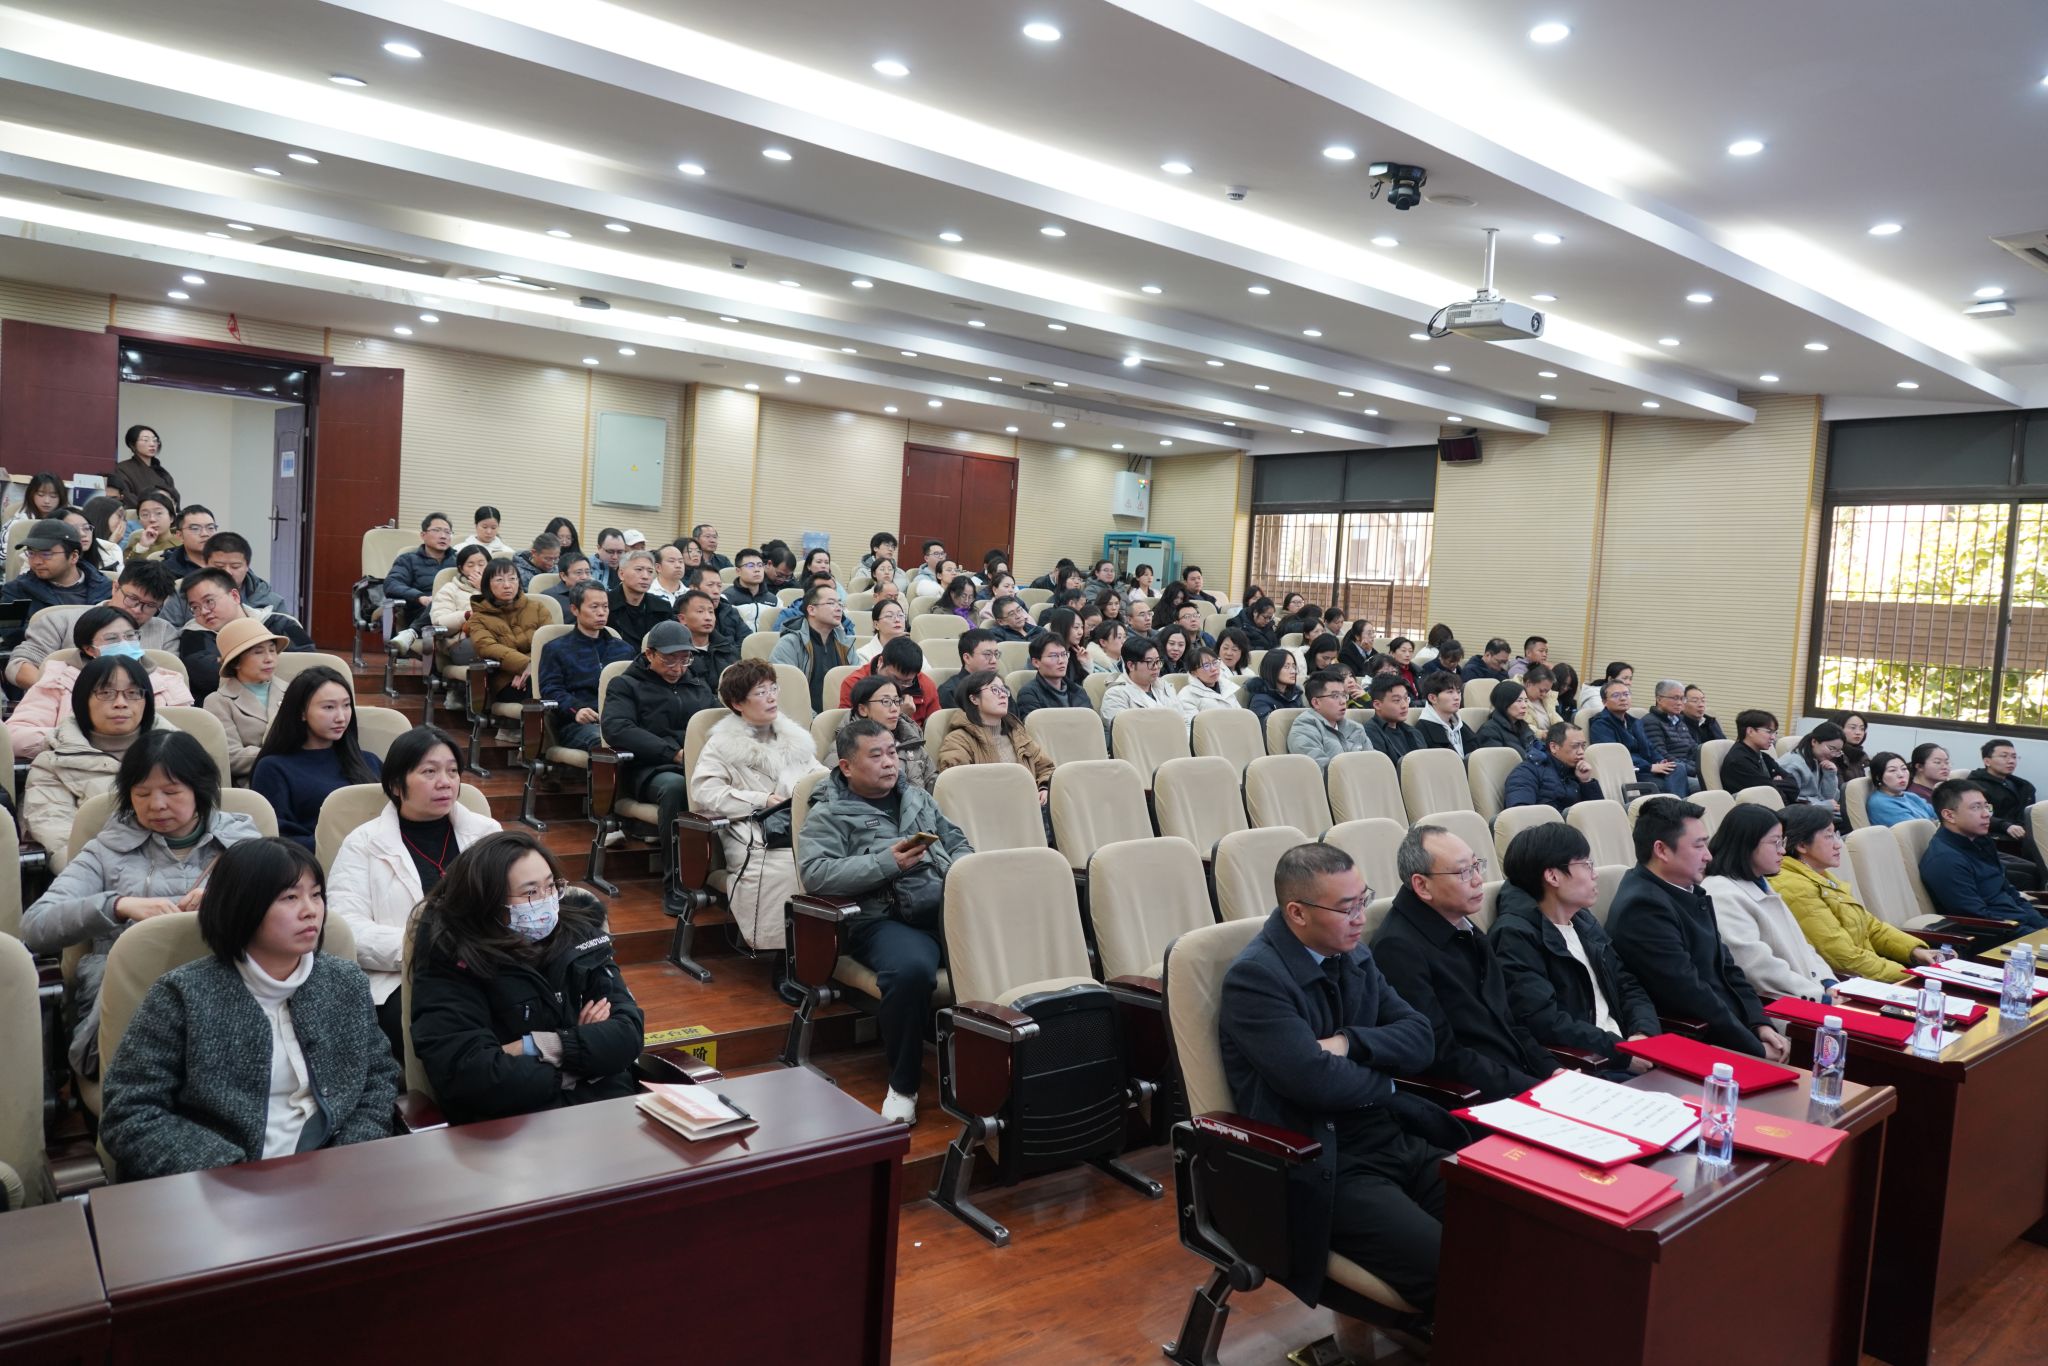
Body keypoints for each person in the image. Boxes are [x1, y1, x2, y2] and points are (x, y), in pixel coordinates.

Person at [1217, 842, 1455, 1315]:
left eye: (1364, 899)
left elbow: (1420, 1039)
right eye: (1347, 908)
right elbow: (1315, 1082)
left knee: (1512, 1224)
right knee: (1452, 1267)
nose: (1361, 917)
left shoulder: (1354, 956)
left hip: (1392, 1137)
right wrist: (1385, 1082)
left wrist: (1348, 1042)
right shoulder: (1255, 980)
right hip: (1329, 1161)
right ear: (1297, 913)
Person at [98, 838, 399, 1178]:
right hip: (223, 1184)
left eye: (316, 895)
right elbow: (130, 1111)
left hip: (333, 1174)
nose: (310, 910)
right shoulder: (182, 995)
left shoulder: (344, 982)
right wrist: (228, 1172)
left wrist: (349, 1154)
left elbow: (378, 1078)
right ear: (242, 906)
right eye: (290, 898)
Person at [23, 731, 260, 1082]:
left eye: (172, 792)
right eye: (142, 793)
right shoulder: (106, 851)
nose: (157, 805)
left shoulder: (242, 844)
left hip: (228, 1000)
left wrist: (226, 900)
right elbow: (36, 926)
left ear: (200, 789)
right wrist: (118, 905)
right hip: (132, 1007)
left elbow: (286, 912)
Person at [802, 720, 973, 1124]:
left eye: (892, 753)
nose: (889, 763)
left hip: (943, 907)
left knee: (1016, 942)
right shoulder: (828, 812)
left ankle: (1000, 1067)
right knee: (911, 970)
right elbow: (816, 874)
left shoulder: (917, 796)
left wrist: (963, 870)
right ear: (846, 766)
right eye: (876, 755)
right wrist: (886, 863)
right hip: (883, 919)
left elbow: (957, 842)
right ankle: (903, 1085)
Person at [409, 832, 644, 1124]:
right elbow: (473, 1075)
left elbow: (628, 1034)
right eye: (530, 893)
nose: (546, 900)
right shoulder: (453, 957)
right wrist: (586, 1059)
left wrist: (536, 1046)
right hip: (512, 1129)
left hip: (606, 1114)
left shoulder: (580, 934)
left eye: (550, 886)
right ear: (487, 901)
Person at [327, 725, 500, 1055]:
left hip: (486, 966)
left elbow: (511, 904)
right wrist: (428, 947)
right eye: (429, 772)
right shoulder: (363, 843)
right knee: (449, 1028)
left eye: (452, 771)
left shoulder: (486, 834)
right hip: (404, 978)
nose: (445, 782)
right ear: (396, 784)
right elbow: (347, 928)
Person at [1372, 824, 1559, 1102]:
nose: (1478, 880)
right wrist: (1535, 1090)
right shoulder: (1398, 949)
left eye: (1476, 866)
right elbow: (1443, 1054)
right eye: (1464, 872)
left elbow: (1509, 1023)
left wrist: (1552, 1071)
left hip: (1516, 1080)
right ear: (1422, 885)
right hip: (1476, 1098)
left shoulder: (1461, 923)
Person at [1604, 797, 1790, 1061]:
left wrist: (1760, 1023)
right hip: (1697, 1041)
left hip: (1731, 1029)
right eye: (1698, 845)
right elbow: (1691, 994)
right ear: (1662, 850)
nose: (1708, 856)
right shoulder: (1643, 907)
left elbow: (1728, 969)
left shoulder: (1687, 890)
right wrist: (1755, 1048)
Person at [689, 659, 826, 992]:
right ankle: (787, 959)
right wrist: (760, 799)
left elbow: (821, 777)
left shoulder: (794, 737)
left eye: (773, 688)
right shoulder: (721, 744)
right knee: (786, 869)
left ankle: (830, 950)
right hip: (751, 827)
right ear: (738, 703)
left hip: (801, 823)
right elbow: (705, 791)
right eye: (761, 692)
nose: (771, 697)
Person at [1491, 823, 1659, 1069]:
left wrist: (1643, 1033)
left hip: (1626, 1051)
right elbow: (1545, 1021)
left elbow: (1626, 984)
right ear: (1553, 876)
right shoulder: (1515, 936)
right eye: (1586, 864)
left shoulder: (1582, 920)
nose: (1595, 874)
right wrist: (1622, 1053)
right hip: (1592, 1065)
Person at [601, 621, 715, 913]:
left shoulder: (697, 684)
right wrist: (672, 753)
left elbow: (716, 721)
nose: (678, 668)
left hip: (694, 765)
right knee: (676, 788)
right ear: (650, 654)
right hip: (647, 769)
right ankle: (676, 885)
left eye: (684, 660)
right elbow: (617, 728)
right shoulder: (625, 685)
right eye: (669, 659)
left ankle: (719, 875)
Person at [24, 655, 178, 862]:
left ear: (147, 700)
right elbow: (60, 838)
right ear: (82, 700)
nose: (120, 703)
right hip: (99, 870)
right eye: (106, 693)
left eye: (133, 693)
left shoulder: (181, 752)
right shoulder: (52, 764)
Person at [1772, 804, 1941, 985]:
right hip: (1847, 985)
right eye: (1828, 836)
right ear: (1802, 845)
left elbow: (1870, 926)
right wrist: (1910, 976)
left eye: (1836, 835)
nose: (1838, 844)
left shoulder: (1818, 876)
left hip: (1869, 974)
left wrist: (1915, 951)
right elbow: (1843, 958)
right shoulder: (1794, 887)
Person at [7, 605, 190, 761]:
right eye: (112, 639)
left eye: (130, 636)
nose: (124, 644)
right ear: (89, 649)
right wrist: (77, 740)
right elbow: (14, 736)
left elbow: (184, 741)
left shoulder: (168, 681)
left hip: (149, 768)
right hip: (75, 769)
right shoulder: (58, 679)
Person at [1703, 805, 1837, 1003]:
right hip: (1780, 1005)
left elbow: (1802, 946)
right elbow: (1756, 967)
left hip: (1809, 992)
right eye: (1775, 843)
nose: (1783, 850)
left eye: (1782, 842)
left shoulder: (1759, 881)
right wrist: (1821, 997)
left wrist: (1828, 981)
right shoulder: (1721, 893)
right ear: (1747, 844)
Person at [251, 668, 380, 851]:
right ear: (302, 712)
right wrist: (345, 845)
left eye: (346, 705)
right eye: (329, 707)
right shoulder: (273, 768)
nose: (341, 717)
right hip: (316, 862)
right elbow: (279, 839)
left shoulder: (369, 761)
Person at [8, 560, 178, 692]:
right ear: (115, 587)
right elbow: (18, 665)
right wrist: (64, 691)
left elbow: (171, 681)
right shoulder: (60, 620)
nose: (137, 610)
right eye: (132, 599)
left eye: (150, 605)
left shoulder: (165, 632)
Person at [1919, 779, 2048, 929]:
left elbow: (2009, 892)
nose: (1986, 814)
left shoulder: (1981, 841)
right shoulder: (1945, 860)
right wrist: (2035, 935)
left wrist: (2043, 927)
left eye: (1987, 807)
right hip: (2000, 934)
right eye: (1976, 807)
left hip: (2019, 922)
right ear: (1949, 815)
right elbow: (1977, 919)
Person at [176, 569, 313, 703]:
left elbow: (307, 665)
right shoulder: (193, 635)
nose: (204, 611)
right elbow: (208, 677)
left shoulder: (281, 623)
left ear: (235, 596)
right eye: (195, 607)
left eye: (209, 601)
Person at [536, 581, 636, 751]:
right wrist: (576, 709)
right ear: (575, 609)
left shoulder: (624, 649)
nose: (601, 612)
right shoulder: (556, 649)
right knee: (606, 744)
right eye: (594, 607)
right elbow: (551, 689)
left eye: (605, 607)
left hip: (620, 720)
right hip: (579, 723)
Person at [937, 670, 1055, 811]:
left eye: (1004, 689)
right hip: (987, 812)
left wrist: (1044, 788)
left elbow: (1046, 768)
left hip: (1029, 809)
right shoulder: (958, 740)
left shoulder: (1017, 734)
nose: (1003, 694)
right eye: (995, 690)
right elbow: (956, 784)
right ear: (974, 699)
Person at [202, 616, 291, 779]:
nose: (269, 659)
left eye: (272, 650)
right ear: (236, 662)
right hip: (256, 782)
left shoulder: (294, 690)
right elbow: (230, 756)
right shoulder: (218, 702)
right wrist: (286, 755)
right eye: (258, 652)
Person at [155, 530, 286, 629]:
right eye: (219, 566)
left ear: (247, 566)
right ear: (205, 564)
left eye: (235, 566)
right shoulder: (183, 593)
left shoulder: (271, 601)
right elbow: (167, 633)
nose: (227, 572)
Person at [1588, 680, 1685, 795]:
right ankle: (1673, 802)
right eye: (1616, 695)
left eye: (1626, 694)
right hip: (1631, 773)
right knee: (1665, 785)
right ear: (1604, 701)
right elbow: (1615, 757)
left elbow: (1650, 748)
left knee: (1678, 767)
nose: (1623, 698)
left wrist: (1660, 761)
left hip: (1648, 769)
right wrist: (1649, 767)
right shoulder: (1600, 725)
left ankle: (1674, 801)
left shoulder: (1634, 722)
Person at [1970, 736, 2046, 881]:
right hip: (1998, 838)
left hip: (2022, 836)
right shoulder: (1975, 786)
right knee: (2035, 871)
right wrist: (2006, 826)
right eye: (2004, 756)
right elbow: (1978, 815)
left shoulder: (2022, 786)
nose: (2011, 761)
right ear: (1987, 761)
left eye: (2014, 757)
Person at [846, 673, 937, 793]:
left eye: (897, 701)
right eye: (886, 701)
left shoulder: (912, 742)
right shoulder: (846, 746)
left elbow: (935, 785)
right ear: (863, 709)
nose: (894, 708)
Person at [769, 581, 850, 714]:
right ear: (811, 609)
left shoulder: (844, 643)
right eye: (831, 603)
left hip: (841, 718)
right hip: (801, 718)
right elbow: (788, 693)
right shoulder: (789, 643)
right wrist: (815, 721)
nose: (838, 608)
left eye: (840, 604)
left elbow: (857, 684)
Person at [3, 519, 110, 612]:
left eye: (46, 554)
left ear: (73, 557)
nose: (36, 561)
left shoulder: (106, 590)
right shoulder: (17, 592)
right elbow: (12, 629)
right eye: (31, 553)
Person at [381, 511, 455, 643]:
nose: (443, 536)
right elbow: (392, 584)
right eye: (437, 530)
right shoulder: (408, 559)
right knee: (438, 601)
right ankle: (412, 632)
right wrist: (420, 597)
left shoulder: (460, 560)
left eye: (447, 532)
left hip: (454, 609)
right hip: (422, 612)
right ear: (423, 535)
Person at [1502, 724, 1604, 811]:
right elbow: (1520, 814)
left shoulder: (1577, 771)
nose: (1581, 752)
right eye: (1575, 746)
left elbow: (1599, 813)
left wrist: (1586, 782)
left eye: (1583, 746)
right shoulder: (1527, 772)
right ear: (1554, 747)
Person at [1288, 669, 1373, 771]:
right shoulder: (1303, 729)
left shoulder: (1355, 728)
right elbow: (1319, 770)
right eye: (1335, 696)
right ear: (1316, 703)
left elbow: (1373, 764)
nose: (1343, 701)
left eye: (1344, 695)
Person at [1099, 635, 1176, 740]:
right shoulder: (1115, 695)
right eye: (1150, 662)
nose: (1156, 667)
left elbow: (1183, 719)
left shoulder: (1164, 686)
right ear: (1131, 665)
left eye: (1158, 661)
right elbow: (1125, 732)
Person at [1720, 709, 1800, 805]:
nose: (1773, 737)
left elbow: (1793, 784)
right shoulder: (1739, 761)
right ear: (1750, 731)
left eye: (1775, 733)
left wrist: (1773, 784)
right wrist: (1775, 783)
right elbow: (1769, 792)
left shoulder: (1762, 756)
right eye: (1769, 732)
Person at [1640, 680, 1703, 791]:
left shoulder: (1678, 720)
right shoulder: (1650, 721)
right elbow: (1662, 756)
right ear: (1659, 699)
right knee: (1706, 786)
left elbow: (1694, 748)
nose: (1679, 703)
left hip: (1688, 769)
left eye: (1682, 698)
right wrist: (1695, 770)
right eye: (1675, 698)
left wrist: (1705, 765)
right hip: (1670, 774)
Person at [1778, 721, 1847, 820]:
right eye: (1831, 748)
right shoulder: (1793, 764)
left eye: (1838, 751)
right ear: (1814, 742)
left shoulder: (1820, 761)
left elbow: (1830, 799)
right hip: (1798, 815)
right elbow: (1790, 800)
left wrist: (1830, 775)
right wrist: (1821, 805)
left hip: (1816, 812)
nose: (1833, 754)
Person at [1012, 631, 1088, 719]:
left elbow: (1090, 722)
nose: (1061, 661)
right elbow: (1034, 725)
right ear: (1036, 662)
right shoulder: (1029, 694)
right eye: (1053, 656)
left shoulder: (1078, 691)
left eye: (1064, 654)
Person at [604, 549, 667, 649]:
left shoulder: (663, 608)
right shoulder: (605, 604)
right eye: (639, 570)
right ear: (621, 574)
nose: (645, 576)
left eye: (650, 571)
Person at [1357, 673, 1425, 763]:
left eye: (1406, 698)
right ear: (1377, 705)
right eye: (1397, 700)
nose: (1404, 705)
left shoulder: (1413, 732)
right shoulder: (1368, 734)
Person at [431, 543, 491, 643]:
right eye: (470, 565)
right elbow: (439, 623)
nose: (477, 570)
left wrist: (484, 589)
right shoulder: (450, 589)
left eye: (481, 564)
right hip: (462, 640)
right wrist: (467, 615)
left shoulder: (500, 587)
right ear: (461, 569)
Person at [109, 424, 180, 508]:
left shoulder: (161, 472)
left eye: (155, 440)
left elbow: (174, 497)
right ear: (132, 444)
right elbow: (127, 497)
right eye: (145, 440)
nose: (152, 444)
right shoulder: (123, 468)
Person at [938, 629, 1003, 709]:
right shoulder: (950, 692)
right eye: (987, 654)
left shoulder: (1000, 686)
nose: (994, 661)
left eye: (996, 654)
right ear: (967, 658)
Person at [1415, 671, 1475, 758]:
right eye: (1450, 692)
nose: (1457, 697)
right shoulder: (1422, 730)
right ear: (1432, 698)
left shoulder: (1461, 726)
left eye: (1458, 692)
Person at [1865, 751, 1934, 826]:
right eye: (1892, 770)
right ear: (1878, 777)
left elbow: (1937, 813)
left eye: (1904, 769)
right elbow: (1915, 829)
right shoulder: (1880, 803)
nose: (1901, 775)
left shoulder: (1910, 796)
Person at [1471, 680, 1539, 755]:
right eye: (1519, 701)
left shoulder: (1523, 727)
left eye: (1526, 701)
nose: (1524, 706)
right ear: (1504, 702)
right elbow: (1500, 760)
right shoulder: (1489, 731)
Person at [1176, 646, 1240, 717]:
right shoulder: (1187, 696)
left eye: (1215, 662)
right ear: (1193, 672)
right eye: (1206, 666)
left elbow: (1242, 716)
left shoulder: (1227, 686)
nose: (1213, 669)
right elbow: (1192, 723)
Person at [1243, 647, 1303, 722]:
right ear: (1273, 669)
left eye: (1294, 667)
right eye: (1286, 667)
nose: (1293, 671)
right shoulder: (1259, 700)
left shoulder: (1295, 695)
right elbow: (1268, 727)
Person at [124, 490, 180, 562]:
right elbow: (127, 567)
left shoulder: (182, 541)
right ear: (139, 520)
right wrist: (142, 546)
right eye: (145, 514)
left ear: (171, 517)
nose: (152, 519)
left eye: (159, 513)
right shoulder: (136, 539)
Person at [80, 496, 128, 575]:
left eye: (124, 518)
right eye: (119, 516)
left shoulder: (122, 544)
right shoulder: (83, 544)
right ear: (103, 517)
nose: (123, 523)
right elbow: (102, 576)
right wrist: (110, 545)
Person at [854, 598, 909, 665]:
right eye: (889, 616)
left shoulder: (912, 651)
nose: (897, 620)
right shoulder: (864, 654)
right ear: (876, 625)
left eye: (900, 615)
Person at [543, 552, 591, 619]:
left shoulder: (595, 594)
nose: (584, 577)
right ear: (563, 576)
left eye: (587, 572)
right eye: (579, 572)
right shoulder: (548, 597)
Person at [1519, 665, 1560, 735]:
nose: (1544, 694)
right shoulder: (1515, 697)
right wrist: (1541, 734)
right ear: (1528, 684)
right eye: (1541, 690)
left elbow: (1555, 717)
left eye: (1547, 691)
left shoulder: (1547, 697)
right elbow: (1519, 725)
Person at [587, 528, 627, 592]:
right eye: (610, 551)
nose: (615, 557)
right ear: (599, 548)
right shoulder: (586, 570)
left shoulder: (629, 570)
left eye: (620, 552)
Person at [1837, 713, 1871, 784]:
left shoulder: (1862, 755)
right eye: (1852, 727)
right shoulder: (1835, 754)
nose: (1858, 732)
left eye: (1862, 729)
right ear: (1839, 728)